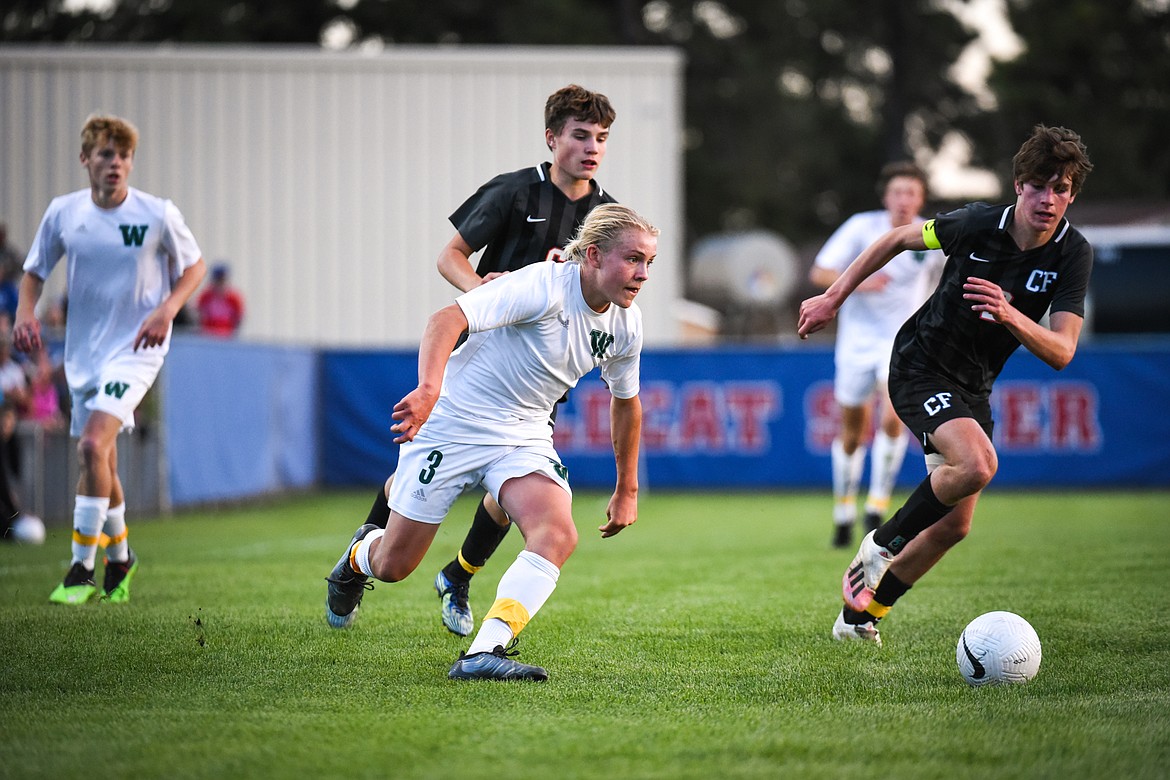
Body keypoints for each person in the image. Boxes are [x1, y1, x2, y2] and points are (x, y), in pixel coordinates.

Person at [325, 203, 656, 681]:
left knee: (558, 533)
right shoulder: (541, 284)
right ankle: (358, 559)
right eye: (633, 259)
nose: (643, 273)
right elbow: (445, 321)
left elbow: (626, 401)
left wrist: (628, 489)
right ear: (593, 256)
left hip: (521, 433)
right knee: (394, 565)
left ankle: (485, 651)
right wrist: (428, 390)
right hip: (452, 422)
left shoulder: (627, 323)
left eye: (649, 262)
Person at [797, 125, 1093, 646]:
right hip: (919, 365)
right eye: (1039, 185)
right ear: (1019, 184)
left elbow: (1062, 351)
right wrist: (833, 299)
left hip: (973, 387)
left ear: (1072, 193)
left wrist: (1009, 315)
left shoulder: (1072, 253)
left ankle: (861, 615)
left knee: (955, 527)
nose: (1049, 199)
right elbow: (894, 238)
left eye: (1062, 188)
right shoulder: (978, 223)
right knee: (977, 464)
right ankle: (879, 545)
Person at [362, 84, 618, 638]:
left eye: (600, 138)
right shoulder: (513, 192)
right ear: (551, 139)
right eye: (579, 135)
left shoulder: (605, 217)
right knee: (410, 490)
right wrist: (480, 291)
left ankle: (459, 575)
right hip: (477, 365)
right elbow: (448, 255)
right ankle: (365, 552)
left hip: (538, 378)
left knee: (514, 491)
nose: (591, 147)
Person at [14, 113, 207, 604]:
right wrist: (24, 312)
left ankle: (80, 569)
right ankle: (122, 558)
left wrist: (167, 310)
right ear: (86, 160)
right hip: (84, 354)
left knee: (89, 446)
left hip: (136, 351)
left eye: (123, 156)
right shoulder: (64, 213)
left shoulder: (156, 213)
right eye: (105, 154)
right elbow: (34, 271)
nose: (115, 163)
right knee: (101, 458)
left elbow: (195, 266)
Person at [809, 162, 942, 548]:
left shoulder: (931, 235)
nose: (904, 200)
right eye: (897, 192)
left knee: (892, 418)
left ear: (920, 199)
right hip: (855, 343)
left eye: (911, 193)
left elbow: (946, 283)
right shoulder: (860, 227)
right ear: (886, 197)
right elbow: (820, 273)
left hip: (901, 344)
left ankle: (877, 505)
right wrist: (859, 281)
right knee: (851, 432)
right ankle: (843, 511)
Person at [196, 262, 245, 337]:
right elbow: (199, 314)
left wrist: (233, 334)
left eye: (222, 281)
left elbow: (239, 318)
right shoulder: (206, 296)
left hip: (227, 336)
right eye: (218, 281)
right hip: (208, 335)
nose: (220, 284)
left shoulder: (234, 298)